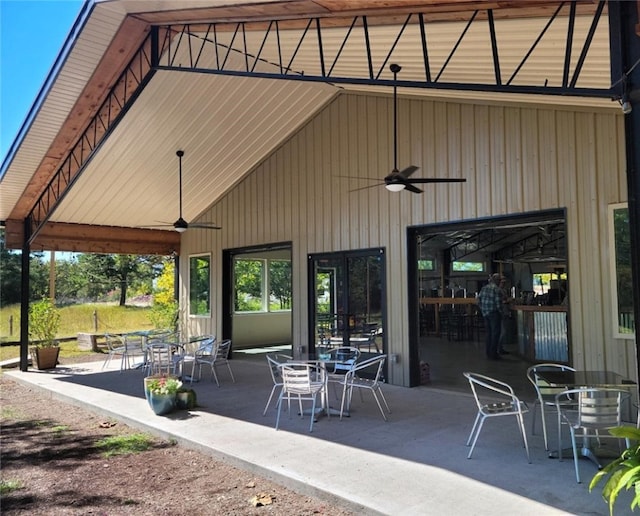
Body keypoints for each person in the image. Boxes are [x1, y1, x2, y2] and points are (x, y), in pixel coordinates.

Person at [477, 273, 504, 360]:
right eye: (500, 280)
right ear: (497, 281)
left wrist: (483, 310)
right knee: (495, 334)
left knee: (489, 334)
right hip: (494, 313)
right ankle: (493, 354)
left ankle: (488, 353)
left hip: (486, 314)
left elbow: (478, 300)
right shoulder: (497, 289)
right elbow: (498, 304)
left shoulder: (484, 288)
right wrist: (502, 313)